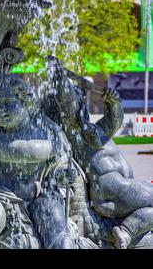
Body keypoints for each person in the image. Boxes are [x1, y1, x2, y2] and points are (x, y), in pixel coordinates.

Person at [47, 57, 153, 249]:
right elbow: (66, 101)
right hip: (109, 191)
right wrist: (58, 74)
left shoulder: (95, 130)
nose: (81, 103)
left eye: (81, 98)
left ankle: (126, 231)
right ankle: (126, 231)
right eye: (78, 99)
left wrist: (112, 103)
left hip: (122, 186)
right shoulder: (74, 132)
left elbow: (115, 121)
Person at [0, 74, 77, 249]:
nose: (2, 110)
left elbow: (58, 166)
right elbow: (23, 151)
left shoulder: (45, 129)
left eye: (8, 103)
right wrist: (55, 145)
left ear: (25, 101)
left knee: (61, 240)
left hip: (39, 197)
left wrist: (63, 175)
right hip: (0, 195)